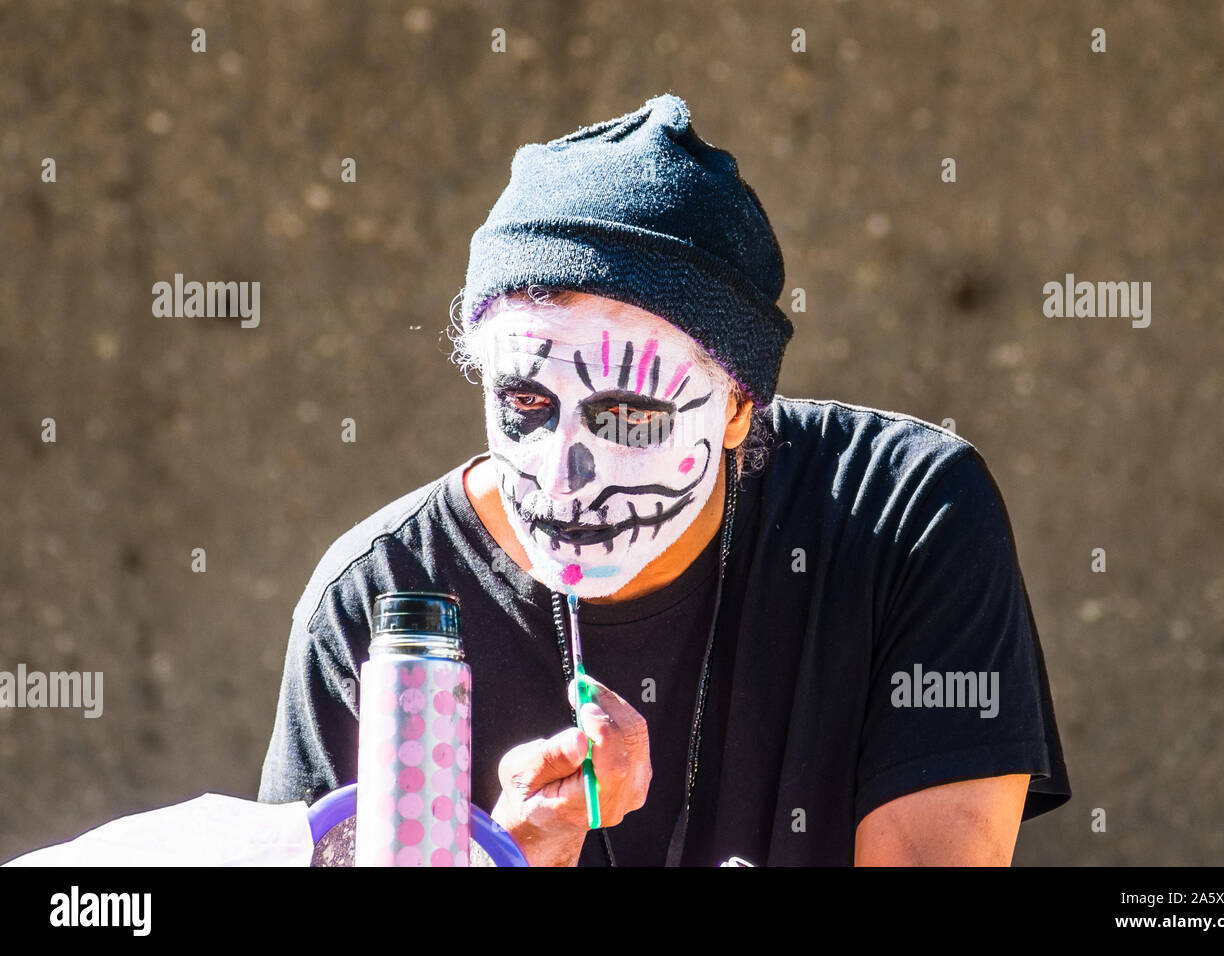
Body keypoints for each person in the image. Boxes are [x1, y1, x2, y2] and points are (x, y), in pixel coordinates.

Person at [257, 92, 1071, 866]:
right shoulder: (382, 603)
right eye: (526, 402)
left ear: (738, 408)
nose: (564, 475)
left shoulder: (903, 516)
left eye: (628, 414)